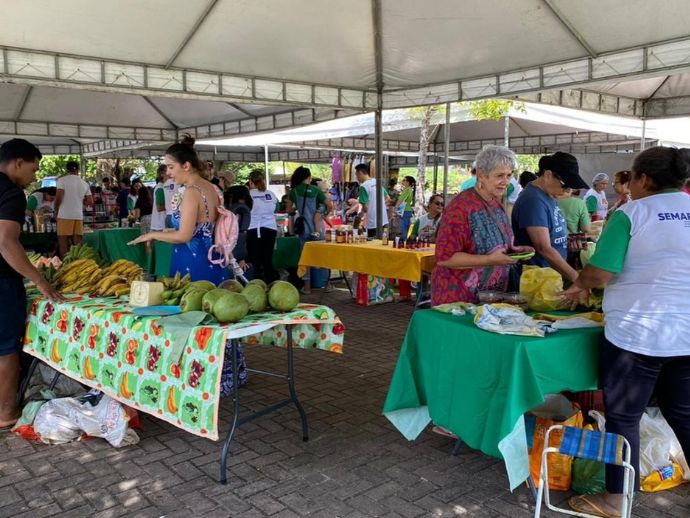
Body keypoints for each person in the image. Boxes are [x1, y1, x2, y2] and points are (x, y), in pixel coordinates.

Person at [562, 147, 690, 518]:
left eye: (632, 177)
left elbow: (601, 271)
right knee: (683, 414)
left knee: (624, 418)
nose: (629, 184)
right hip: (686, 334)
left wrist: (579, 284)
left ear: (644, 179)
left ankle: (617, 501)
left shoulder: (632, 214)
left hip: (637, 336)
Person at [0, 139, 62, 428]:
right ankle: (6, 412)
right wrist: (39, 281)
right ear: (17, 163)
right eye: (34, 169)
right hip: (2, 282)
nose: (35, 176)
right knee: (6, 348)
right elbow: (5, 242)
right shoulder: (12, 193)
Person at [432, 145, 534, 305]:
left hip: (490, 300)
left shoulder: (496, 203)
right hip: (460, 302)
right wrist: (489, 260)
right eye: (499, 175)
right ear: (481, 175)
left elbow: (495, 243)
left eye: (509, 175)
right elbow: (445, 259)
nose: (505, 182)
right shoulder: (460, 208)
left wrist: (514, 251)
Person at [127, 136, 228, 284]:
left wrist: (151, 234)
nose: (168, 173)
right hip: (211, 258)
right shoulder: (211, 187)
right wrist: (163, 233)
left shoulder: (192, 192)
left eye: (171, 167)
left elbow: (184, 236)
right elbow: (201, 227)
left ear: (186, 166)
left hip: (192, 264)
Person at [511, 152, 589, 283]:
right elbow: (543, 248)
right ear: (548, 175)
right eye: (565, 185)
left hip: (549, 277)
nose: (566, 191)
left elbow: (551, 235)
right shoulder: (533, 200)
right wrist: (577, 278)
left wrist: (567, 242)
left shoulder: (548, 195)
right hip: (537, 281)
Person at [286, 166, 334, 293]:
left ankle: (307, 287)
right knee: (323, 256)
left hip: (304, 229)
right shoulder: (316, 190)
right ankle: (327, 284)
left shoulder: (294, 191)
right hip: (319, 230)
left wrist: (298, 210)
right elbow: (329, 205)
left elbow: (288, 210)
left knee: (305, 257)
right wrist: (322, 213)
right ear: (308, 177)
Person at [54, 160, 93, 257]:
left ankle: (66, 264)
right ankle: (79, 263)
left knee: (63, 242)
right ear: (78, 170)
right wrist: (79, 200)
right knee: (78, 243)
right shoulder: (84, 183)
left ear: (67, 169)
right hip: (78, 215)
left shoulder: (62, 180)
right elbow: (90, 202)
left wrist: (56, 210)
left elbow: (59, 197)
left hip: (64, 214)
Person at [246, 169, 279, 284]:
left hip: (253, 229)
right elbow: (277, 208)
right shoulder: (271, 194)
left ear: (250, 182)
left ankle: (256, 285)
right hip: (270, 229)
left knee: (255, 260)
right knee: (268, 259)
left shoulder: (249, 195)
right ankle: (271, 284)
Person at [355, 163, 389, 238]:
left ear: (360, 173)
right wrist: (380, 206)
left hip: (372, 222)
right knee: (383, 242)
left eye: (357, 175)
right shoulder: (376, 182)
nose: (357, 178)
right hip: (384, 220)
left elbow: (365, 208)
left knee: (374, 245)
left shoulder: (363, 187)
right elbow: (388, 198)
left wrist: (360, 215)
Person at [226, 185, 252, 273]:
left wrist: (240, 258)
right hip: (232, 254)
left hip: (232, 254)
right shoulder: (241, 211)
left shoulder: (239, 212)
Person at [151, 164, 168, 232]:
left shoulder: (164, 187)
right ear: (162, 174)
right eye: (167, 171)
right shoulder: (161, 188)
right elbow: (159, 207)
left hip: (161, 224)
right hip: (160, 226)